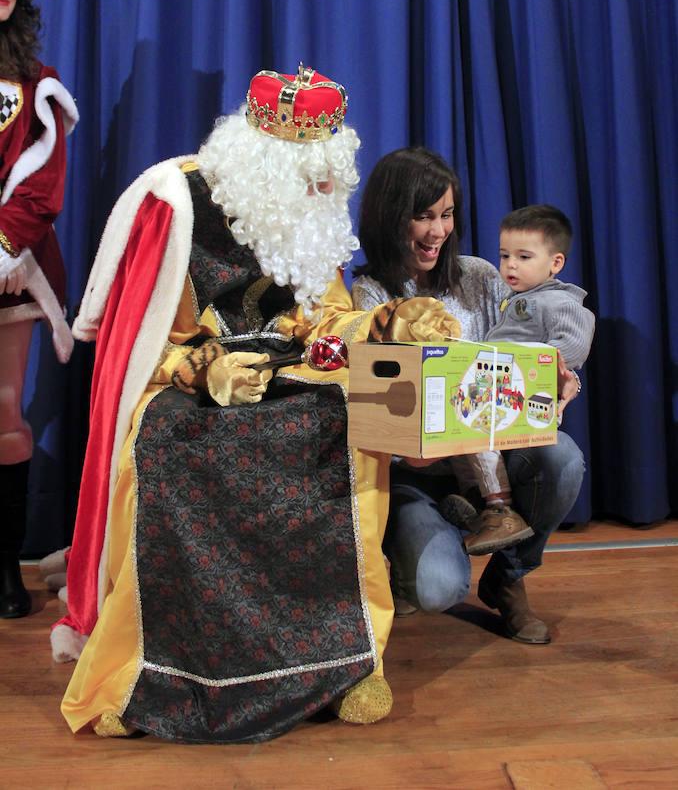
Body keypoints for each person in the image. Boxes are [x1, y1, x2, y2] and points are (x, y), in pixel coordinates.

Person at [55, 67, 460, 742]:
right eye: (305, 174)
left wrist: (387, 326)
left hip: (287, 374)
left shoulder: (311, 214)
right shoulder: (174, 202)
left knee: (347, 421)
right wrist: (200, 369)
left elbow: (324, 326)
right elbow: (129, 345)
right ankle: (158, 673)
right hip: (187, 385)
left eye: (325, 175)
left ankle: (349, 662)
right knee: (179, 446)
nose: (319, 190)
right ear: (262, 158)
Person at [352, 147, 585, 644]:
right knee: (439, 588)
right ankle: (406, 565)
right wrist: (407, 448)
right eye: (423, 216)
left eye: (448, 214)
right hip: (418, 475)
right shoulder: (368, 296)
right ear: (390, 216)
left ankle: (509, 578)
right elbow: (372, 404)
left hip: (492, 462)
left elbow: (525, 345)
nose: (439, 231)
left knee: (563, 459)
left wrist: (559, 373)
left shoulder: (480, 275)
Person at [0, 0, 78, 619]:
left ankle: (4, 573)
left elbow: (43, 183)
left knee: (1, 413)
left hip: (9, 272)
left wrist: (2, 246)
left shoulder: (38, 88)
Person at [445, 203, 595, 556]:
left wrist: (540, 362)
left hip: (519, 397)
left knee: (474, 429)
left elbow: (572, 344)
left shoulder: (558, 301)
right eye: (505, 255)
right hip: (496, 388)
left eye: (524, 256)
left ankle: (499, 508)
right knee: (457, 434)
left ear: (555, 263)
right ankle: (477, 500)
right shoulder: (517, 300)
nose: (511, 265)